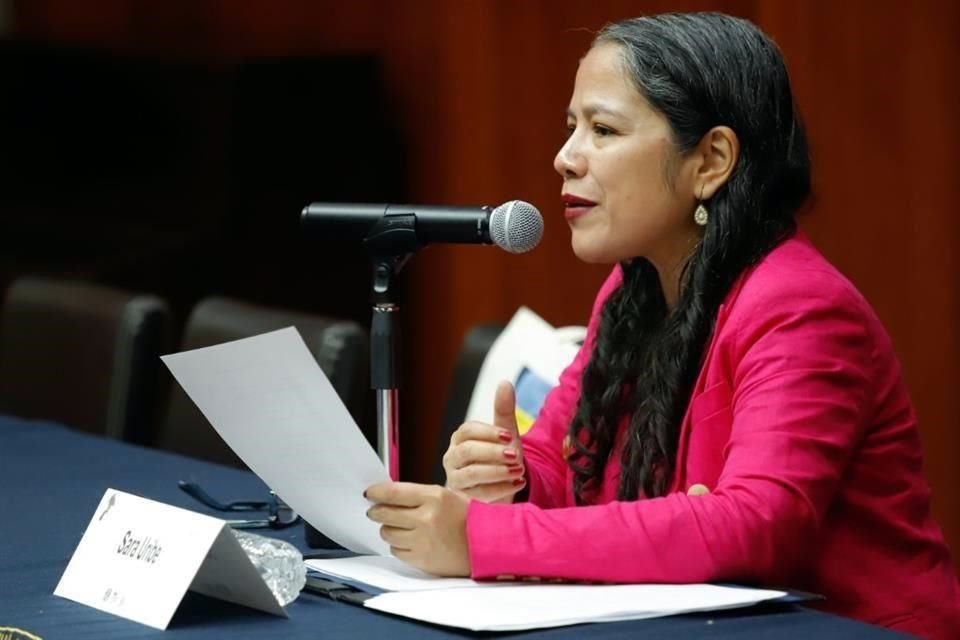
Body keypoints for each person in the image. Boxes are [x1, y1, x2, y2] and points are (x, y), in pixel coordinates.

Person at [364, 12, 960, 637]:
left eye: (603, 129)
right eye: (572, 128)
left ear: (711, 160)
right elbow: (563, 468)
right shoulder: (632, 287)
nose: (565, 158)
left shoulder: (801, 309)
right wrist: (509, 480)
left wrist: (485, 537)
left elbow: (753, 527)